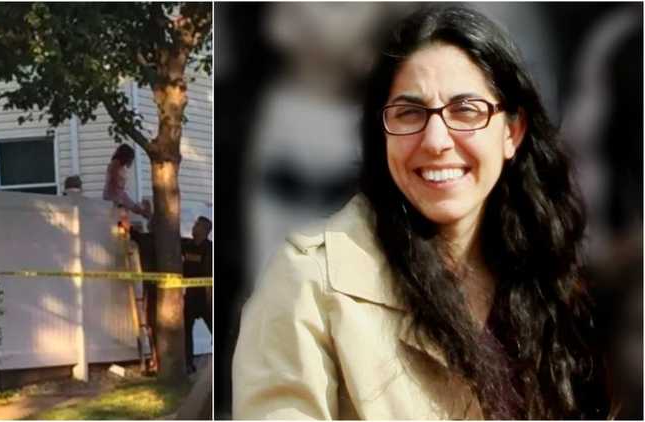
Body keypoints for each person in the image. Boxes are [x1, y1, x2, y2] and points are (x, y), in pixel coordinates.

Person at [232, 6, 608, 420]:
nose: (435, 140)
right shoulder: (310, 286)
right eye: (409, 113)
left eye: (466, 110)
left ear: (512, 132)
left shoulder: (554, 284)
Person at [183, 216, 213, 374]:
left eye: (197, 225)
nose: (194, 227)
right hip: (191, 297)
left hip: (208, 298)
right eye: (194, 224)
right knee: (186, 331)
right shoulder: (186, 245)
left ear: (205, 231)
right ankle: (188, 363)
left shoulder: (211, 249)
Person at [103, 144, 151, 218]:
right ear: (125, 156)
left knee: (135, 209)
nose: (131, 160)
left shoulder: (119, 165)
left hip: (119, 194)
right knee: (129, 212)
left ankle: (148, 215)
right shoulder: (115, 164)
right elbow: (113, 181)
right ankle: (148, 215)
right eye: (130, 157)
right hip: (114, 195)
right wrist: (118, 201)